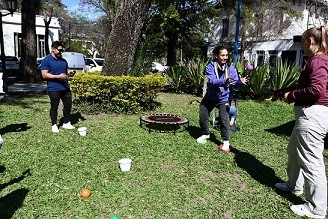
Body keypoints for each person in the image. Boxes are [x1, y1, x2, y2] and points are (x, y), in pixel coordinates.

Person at [272, 26, 328, 218]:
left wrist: (292, 95)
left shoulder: (318, 60)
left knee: (312, 162)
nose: (302, 46)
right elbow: (306, 85)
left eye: (302, 42)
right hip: (310, 116)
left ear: (311, 40)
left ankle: (316, 208)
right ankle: (293, 185)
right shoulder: (319, 60)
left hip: (312, 117)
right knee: (294, 151)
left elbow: (316, 91)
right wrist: (282, 92)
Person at [197, 45, 248, 151]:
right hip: (210, 97)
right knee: (203, 115)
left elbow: (234, 83)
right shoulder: (210, 66)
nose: (225, 57)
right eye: (222, 55)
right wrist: (225, 81)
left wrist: (240, 82)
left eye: (226, 55)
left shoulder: (231, 68)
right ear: (216, 55)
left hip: (223, 98)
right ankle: (206, 134)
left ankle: (226, 142)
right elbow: (212, 81)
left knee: (224, 119)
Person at [41, 41, 76, 133]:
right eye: (59, 50)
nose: (61, 52)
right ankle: (54, 125)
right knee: (54, 107)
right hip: (53, 88)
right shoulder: (46, 60)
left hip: (65, 87)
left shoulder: (63, 60)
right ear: (53, 49)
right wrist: (58, 76)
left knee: (68, 105)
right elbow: (44, 75)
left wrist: (70, 72)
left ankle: (66, 122)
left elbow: (67, 70)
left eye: (62, 50)